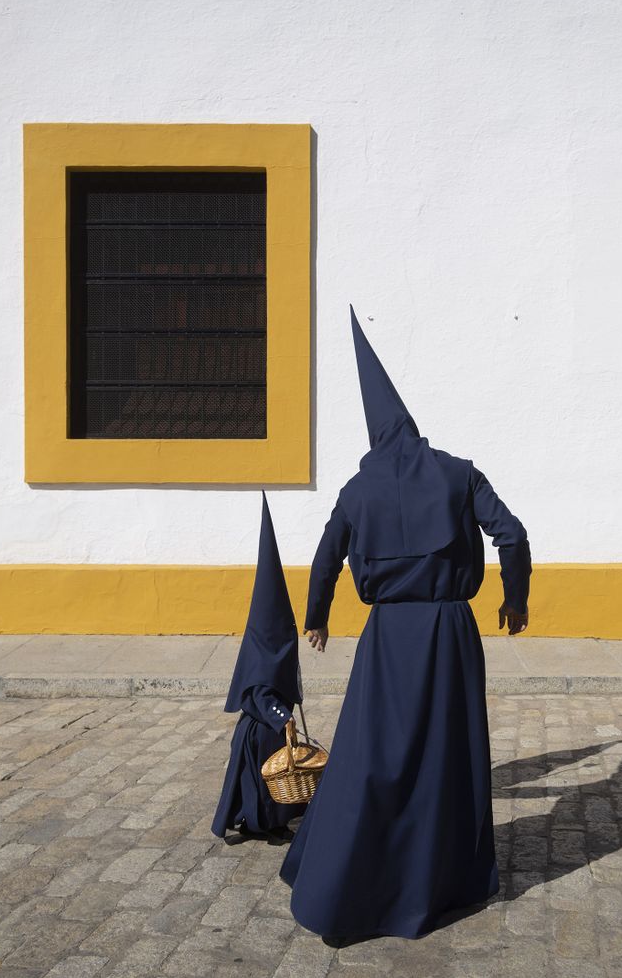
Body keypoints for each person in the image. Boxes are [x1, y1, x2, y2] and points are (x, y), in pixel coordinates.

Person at [279, 308, 531, 944]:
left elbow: (325, 558)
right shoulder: (458, 473)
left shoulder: (356, 490)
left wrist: (316, 618)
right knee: (449, 754)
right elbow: (513, 535)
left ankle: (355, 873)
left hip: (387, 637)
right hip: (450, 633)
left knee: (373, 755)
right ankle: (442, 876)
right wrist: (515, 601)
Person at [211, 494, 307, 842]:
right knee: (259, 782)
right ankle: (258, 823)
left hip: (268, 730)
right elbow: (259, 691)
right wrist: (283, 717)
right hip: (260, 731)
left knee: (266, 781)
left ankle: (268, 821)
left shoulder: (273, 636)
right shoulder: (263, 644)